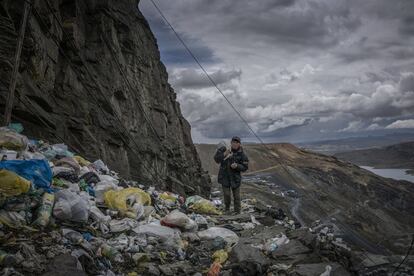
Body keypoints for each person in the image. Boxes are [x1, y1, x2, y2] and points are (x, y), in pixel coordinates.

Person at [214, 136, 249, 214]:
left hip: (235, 178)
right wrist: (224, 154)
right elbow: (216, 159)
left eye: (237, 142)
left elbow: (245, 167)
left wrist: (237, 166)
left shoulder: (242, 154)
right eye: (233, 142)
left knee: (237, 197)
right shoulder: (224, 149)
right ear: (231, 143)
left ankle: (237, 212)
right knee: (227, 195)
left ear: (239, 144)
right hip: (224, 177)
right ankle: (227, 209)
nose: (235, 144)